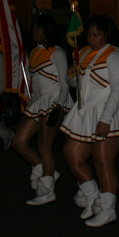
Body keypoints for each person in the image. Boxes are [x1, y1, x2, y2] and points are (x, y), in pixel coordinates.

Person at [60, 15, 119, 227]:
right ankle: (93, 196)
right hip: (86, 111)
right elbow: (79, 86)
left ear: (106, 34)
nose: (92, 38)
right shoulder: (83, 52)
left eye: (97, 35)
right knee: (72, 154)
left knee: (103, 161)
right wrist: (70, 76)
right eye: (89, 35)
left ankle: (108, 209)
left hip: (110, 111)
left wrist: (106, 118)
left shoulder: (116, 55)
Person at [12, 14, 73, 205]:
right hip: (38, 101)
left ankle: (47, 191)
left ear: (47, 31)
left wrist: (58, 107)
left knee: (44, 147)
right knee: (19, 142)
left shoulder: (58, 53)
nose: (34, 31)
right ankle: (46, 170)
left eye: (38, 28)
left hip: (54, 100)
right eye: (34, 28)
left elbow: (65, 85)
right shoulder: (33, 53)